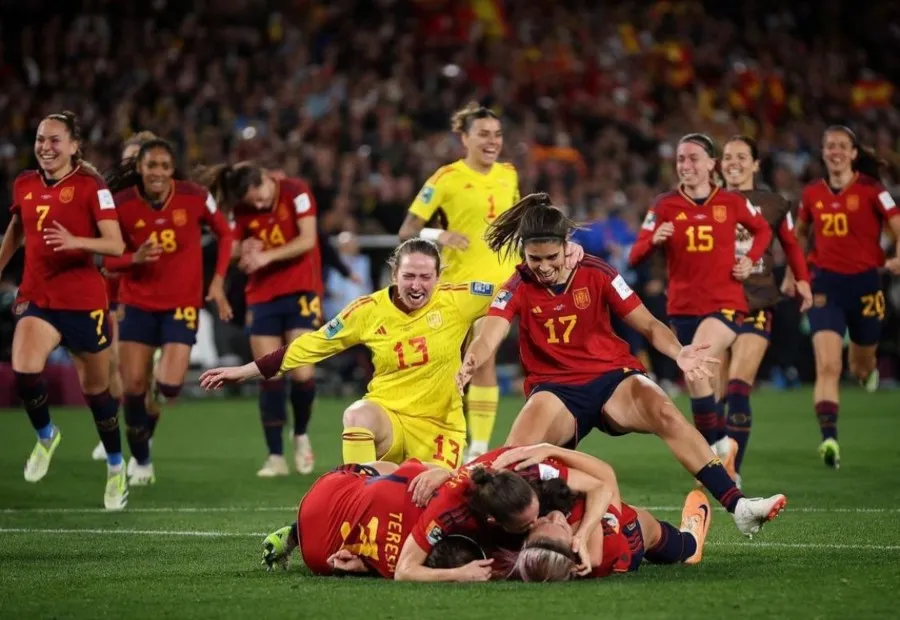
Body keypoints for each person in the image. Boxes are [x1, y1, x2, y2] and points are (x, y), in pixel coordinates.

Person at [458, 193, 785, 537]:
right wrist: (473, 360)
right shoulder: (518, 285)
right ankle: (479, 532)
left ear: (567, 245)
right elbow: (490, 333)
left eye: (550, 257)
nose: (542, 266)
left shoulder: (597, 272)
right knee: (513, 460)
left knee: (664, 411)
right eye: (533, 258)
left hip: (611, 376)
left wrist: (679, 353)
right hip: (555, 389)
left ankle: (739, 507)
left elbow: (648, 325)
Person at [199, 239, 495, 471]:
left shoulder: (458, 299)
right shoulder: (366, 311)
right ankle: (357, 499)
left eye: (425, 277)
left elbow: (513, 291)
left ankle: (382, 481)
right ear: (394, 274)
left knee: (429, 506)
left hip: (440, 426)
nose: (416, 285)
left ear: (438, 277)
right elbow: (311, 344)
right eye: (408, 276)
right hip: (389, 417)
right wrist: (244, 371)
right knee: (357, 415)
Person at [0, 111, 128, 510]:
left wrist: (77, 241)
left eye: (55, 140)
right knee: (24, 369)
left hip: (83, 302)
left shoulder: (92, 187)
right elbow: (18, 229)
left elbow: (116, 245)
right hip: (40, 296)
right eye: (40, 139)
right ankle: (46, 435)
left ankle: (115, 465)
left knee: (97, 393)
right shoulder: (24, 183)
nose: (45, 147)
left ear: (74, 146)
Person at [628, 133, 773, 471]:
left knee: (695, 365)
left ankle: (719, 456)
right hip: (682, 309)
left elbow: (763, 231)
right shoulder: (664, 205)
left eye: (693, 158)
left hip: (725, 304)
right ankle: (721, 447)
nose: (686, 165)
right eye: (681, 159)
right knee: (696, 379)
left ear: (712, 164)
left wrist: (750, 258)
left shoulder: (732, 202)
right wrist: (654, 241)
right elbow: (635, 255)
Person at [101, 137, 234, 485]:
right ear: (140, 169)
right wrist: (135, 258)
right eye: (151, 166)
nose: (157, 172)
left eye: (164, 166)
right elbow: (107, 257)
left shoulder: (194, 196)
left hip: (180, 306)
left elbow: (225, 232)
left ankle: (154, 407)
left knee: (170, 388)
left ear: (172, 169)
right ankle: (142, 461)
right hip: (137, 304)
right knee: (132, 386)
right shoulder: (120, 204)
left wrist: (217, 282)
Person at [398, 102, 520, 461]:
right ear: (464, 138)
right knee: (447, 365)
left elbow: (512, 225)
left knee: (483, 359)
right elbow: (407, 230)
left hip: (500, 287)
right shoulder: (445, 178)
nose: (492, 141)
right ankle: (438, 439)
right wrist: (440, 234)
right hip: (455, 290)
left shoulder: (509, 174)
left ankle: (478, 449)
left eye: (497, 135)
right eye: (483, 134)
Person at [786, 125, 900, 469]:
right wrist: (797, 270)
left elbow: (896, 222)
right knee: (828, 365)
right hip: (825, 285)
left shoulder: (872, 189)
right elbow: (800, 234)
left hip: (866, 285)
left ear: (852, 154)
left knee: (861, 364)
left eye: (841, 146)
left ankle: (866, 370)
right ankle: (829, 438)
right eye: (829, 146)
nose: (834, 151)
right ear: (823, 153)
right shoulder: (811, 195)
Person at [199, 162, 323, 477]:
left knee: (302, 372)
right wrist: (244, 248)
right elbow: (230, 245)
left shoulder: (296, 191)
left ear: (267, 178)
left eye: (259, 196)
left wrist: (266, 254)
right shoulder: (243, 207)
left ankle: (301, 433)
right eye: (251, 202)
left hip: (301, 291)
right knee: (268, 374)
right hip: (262, 295)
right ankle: (275, 456)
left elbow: (308, 239)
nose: (257, 205)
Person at [718, 135, 813, 487]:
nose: (734, 162)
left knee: (740, 386)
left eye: (742, 156)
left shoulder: (774, 204)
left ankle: (732, 470)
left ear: (755, 164)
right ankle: (714, 461)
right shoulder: (707, 201)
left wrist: (801, 280)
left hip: (756, 302)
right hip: (713, 305)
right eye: (728, 156)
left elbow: (791, 245)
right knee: (714, 397)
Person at [393, 445, 615, 582]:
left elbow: (601, 485)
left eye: (538, 513)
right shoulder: (448, 511)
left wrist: (582, 536)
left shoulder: (527, 468)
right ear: (494, 521)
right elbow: (404, 571)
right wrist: (458, 574)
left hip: (510, 452)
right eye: (526, 525)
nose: (537, 523)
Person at [490, 443, 710, 581]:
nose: (555, 516)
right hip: (627, 541)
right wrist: (550, 449)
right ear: (574, 547)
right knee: (645, 523)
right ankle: (690, 542)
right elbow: (605, 477)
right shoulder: (598, 548)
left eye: (543, 521)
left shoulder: (530, 555)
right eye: (559, 525)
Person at [260, 459, 496, 579]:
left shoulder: (420, 492)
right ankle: (297, 532)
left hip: (324, 495)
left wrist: (445, 472)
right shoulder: (394, 570)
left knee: (389, 467)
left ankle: (294, 530)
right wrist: (364, 567)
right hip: (320, 559)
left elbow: (419, 468)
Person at [92, 130, 164, 464]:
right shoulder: (109, 195)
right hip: (107, 285)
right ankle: (125, 431)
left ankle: (141, 442)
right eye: (130, 158)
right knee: (109, 371)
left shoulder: (159, 199)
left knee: (139, 378)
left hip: (143, 293)